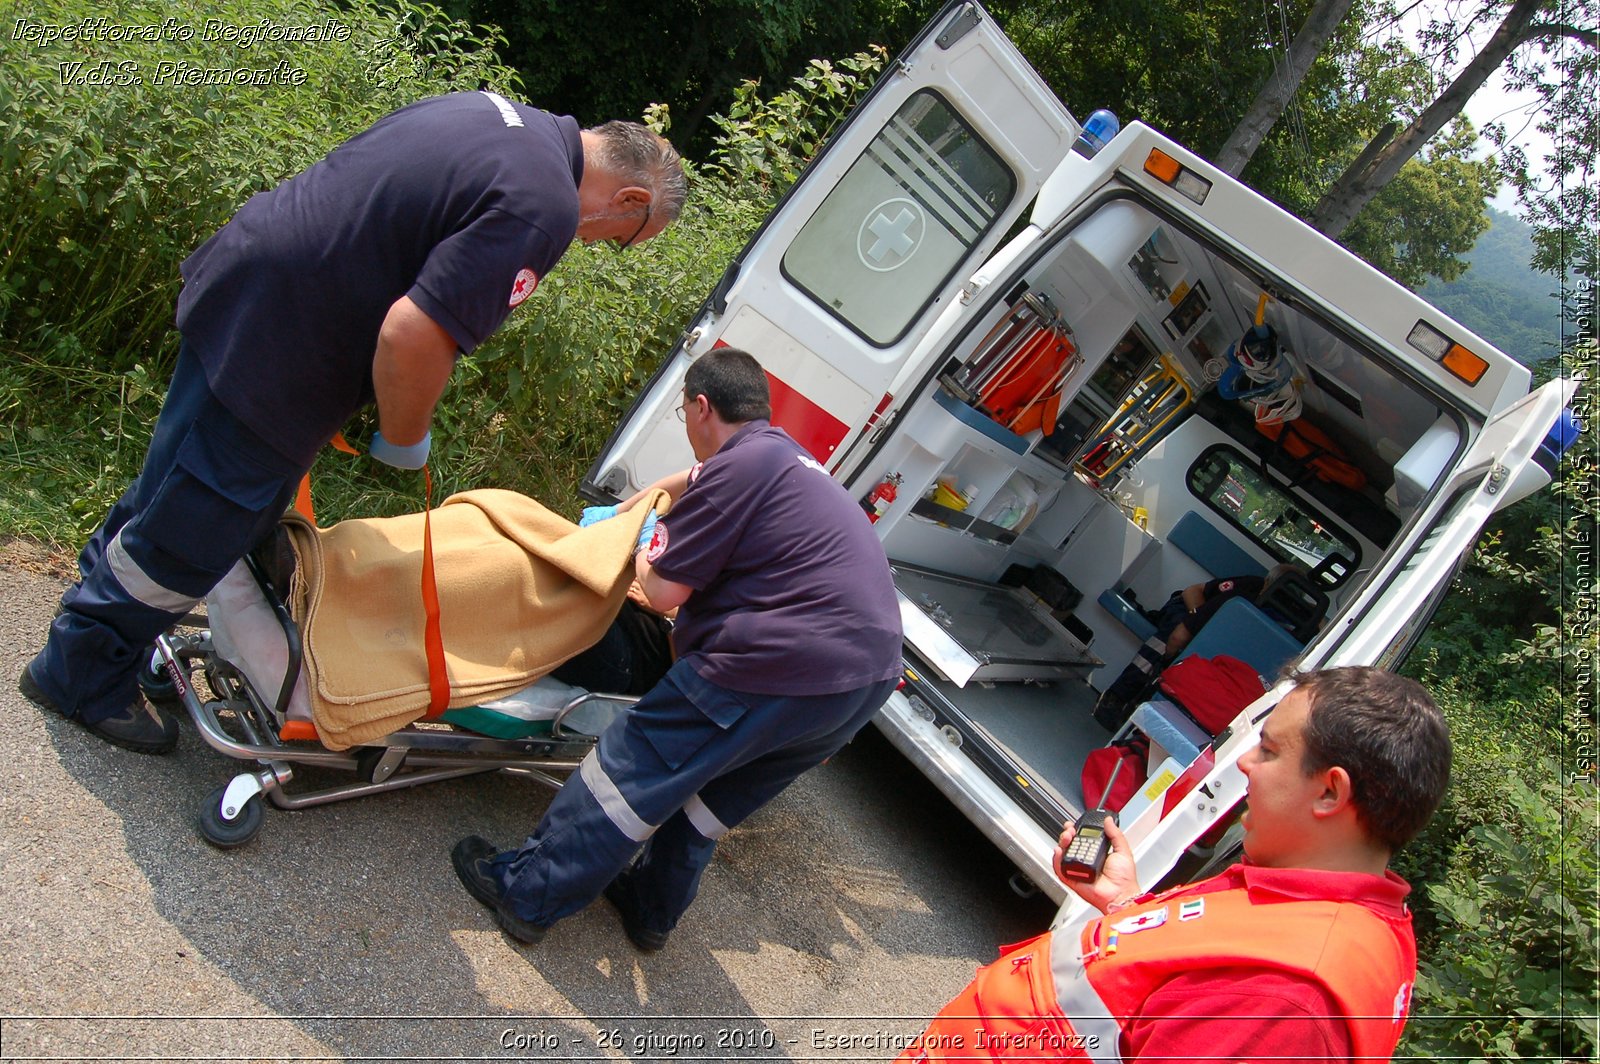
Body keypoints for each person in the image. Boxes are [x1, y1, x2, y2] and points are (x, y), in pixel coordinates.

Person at [19, 91, 686, 755]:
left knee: (171, 478)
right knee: (199, 521)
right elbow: (414, 335)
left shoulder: (497, 114)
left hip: (249, 279)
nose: (594, 242)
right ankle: (81, 673)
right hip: (290, 348)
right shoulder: (543, 205)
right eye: (622, 240)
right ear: (629, 200)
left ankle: (103, 629)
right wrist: (404, 436)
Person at [449, 347, 903, 950]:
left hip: (777, 660)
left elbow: (662, 591)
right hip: (862, 681)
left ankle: (527, 891)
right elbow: (686, 482)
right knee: (711, 800)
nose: (684, 428)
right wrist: (640, 505)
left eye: (684, 413)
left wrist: (640, 536)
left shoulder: (740, 469)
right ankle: (650, 908)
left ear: (701, 406)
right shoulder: (784, 459)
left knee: (632, 765)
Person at [899, 665, 1451, 1063]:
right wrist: (1124, 904)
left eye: (1269, 751)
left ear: (1330, 793)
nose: (1247, 767)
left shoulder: (1283, 1003)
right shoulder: (1313, 904)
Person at [1093, 562, 1305, 730]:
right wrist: (1201, 619)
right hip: (1190, 609)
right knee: (1169, 637)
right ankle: (1116, 697)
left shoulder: (1294, 624)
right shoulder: (1246, 590)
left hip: (1208, 626)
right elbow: (1191, 592)